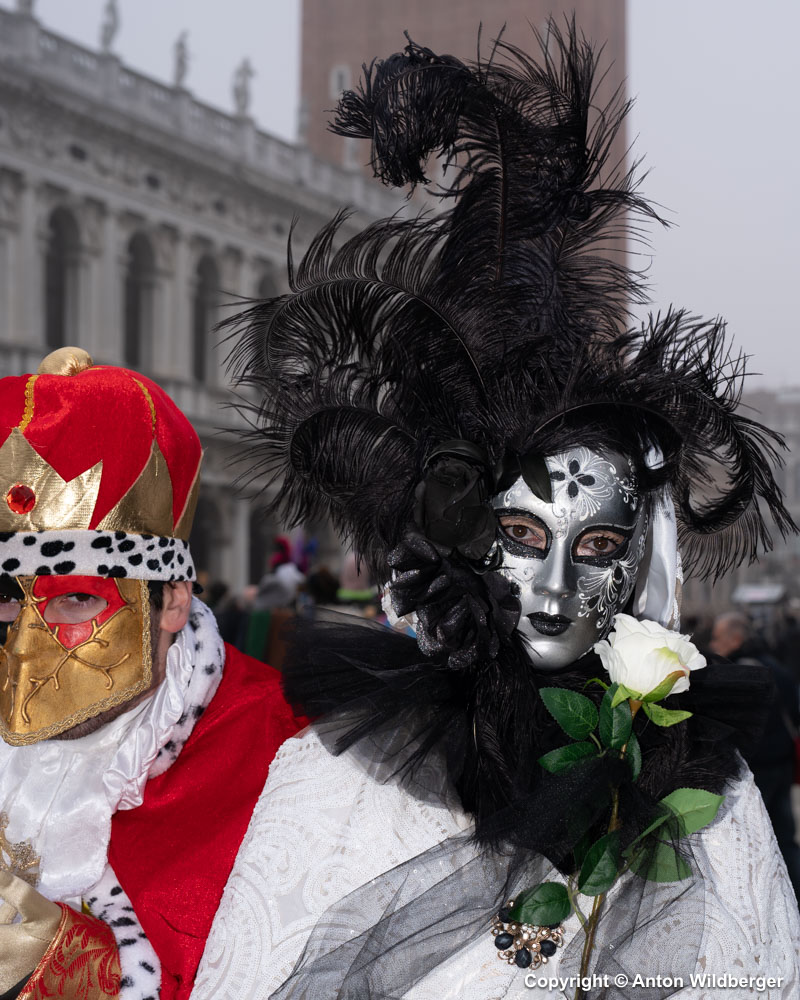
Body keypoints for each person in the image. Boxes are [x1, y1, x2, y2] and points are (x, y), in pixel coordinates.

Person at [194, 21, 800, 1000]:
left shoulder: (703, 796)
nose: (556, 587)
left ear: (629, 566)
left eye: (594, 543)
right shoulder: (333, 786)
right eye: (523, 536)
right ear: (468, 537)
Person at [0, 348, 304, 999]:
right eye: (3, 597)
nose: (24, 649)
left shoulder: (293, 764)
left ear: (171, 602)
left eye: (75, 598)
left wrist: (46, 959)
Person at [710, 610, 800, 897]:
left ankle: (768, 900)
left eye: (717, 638)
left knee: (753, 840)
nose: (713, 644)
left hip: (754, 769)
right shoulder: (777, 668)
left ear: (735, 639)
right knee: (784, 836)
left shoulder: (734, 674)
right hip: (782, 762)